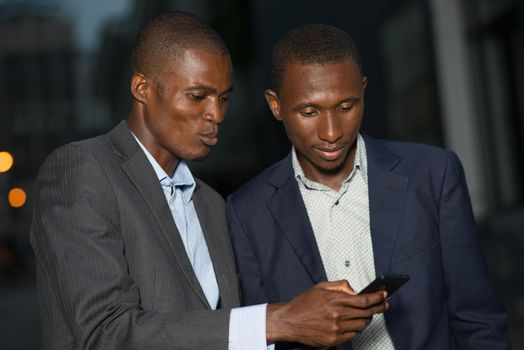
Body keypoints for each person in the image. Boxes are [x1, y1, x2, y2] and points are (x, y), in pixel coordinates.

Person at [29, 12, 388, 350]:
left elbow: (219, 333)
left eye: (224, 98)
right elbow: (105, 333)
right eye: (198, 96)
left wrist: (314, 326)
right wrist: (278, 320)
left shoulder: (214, 205)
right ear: (142, 88)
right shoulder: (82, 170)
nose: (216, 114)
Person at [227, 23, 510, 349]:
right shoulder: (247, 213)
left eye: (346, 107)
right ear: (275, 105)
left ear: (363, 90)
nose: (331, 132)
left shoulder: (432, 175)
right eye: (309, 111)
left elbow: (477, 317)